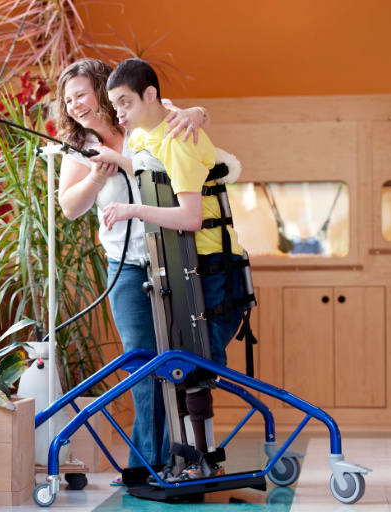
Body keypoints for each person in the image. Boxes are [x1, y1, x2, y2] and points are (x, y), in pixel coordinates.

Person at [54, 59, 212, 481]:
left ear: (103, 89)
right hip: (125, 266)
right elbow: (69, 207)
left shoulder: (140, 115)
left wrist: (198, 113)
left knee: (180, 362)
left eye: (81, 95)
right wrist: (95, 175)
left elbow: (186, 126)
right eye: (68, 100)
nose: (74, 106)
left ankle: (182, 459)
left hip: (173, 258)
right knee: (142, 366)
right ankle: (146, 465)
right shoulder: (79, 145)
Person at [104, 58, 247, 483]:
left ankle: (203, 462)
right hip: (189, 267)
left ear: (150, 96)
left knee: (196, 368)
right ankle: (188, 461)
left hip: (214, 268)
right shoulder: (148, 135)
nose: (120, 113)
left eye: (126, 102)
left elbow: (190, 217)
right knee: (185, 366)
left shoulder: (177, 139)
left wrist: (131, 209)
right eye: (115, 105)